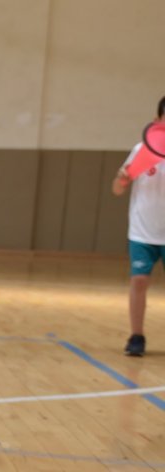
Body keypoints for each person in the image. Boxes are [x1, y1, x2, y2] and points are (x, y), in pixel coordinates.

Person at [112, 96, 165, 356]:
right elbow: (117, 189)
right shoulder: (140, 151)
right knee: (140, 281)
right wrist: (121, 180)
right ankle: (136, 336)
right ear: (157, 121)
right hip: (142, 232)